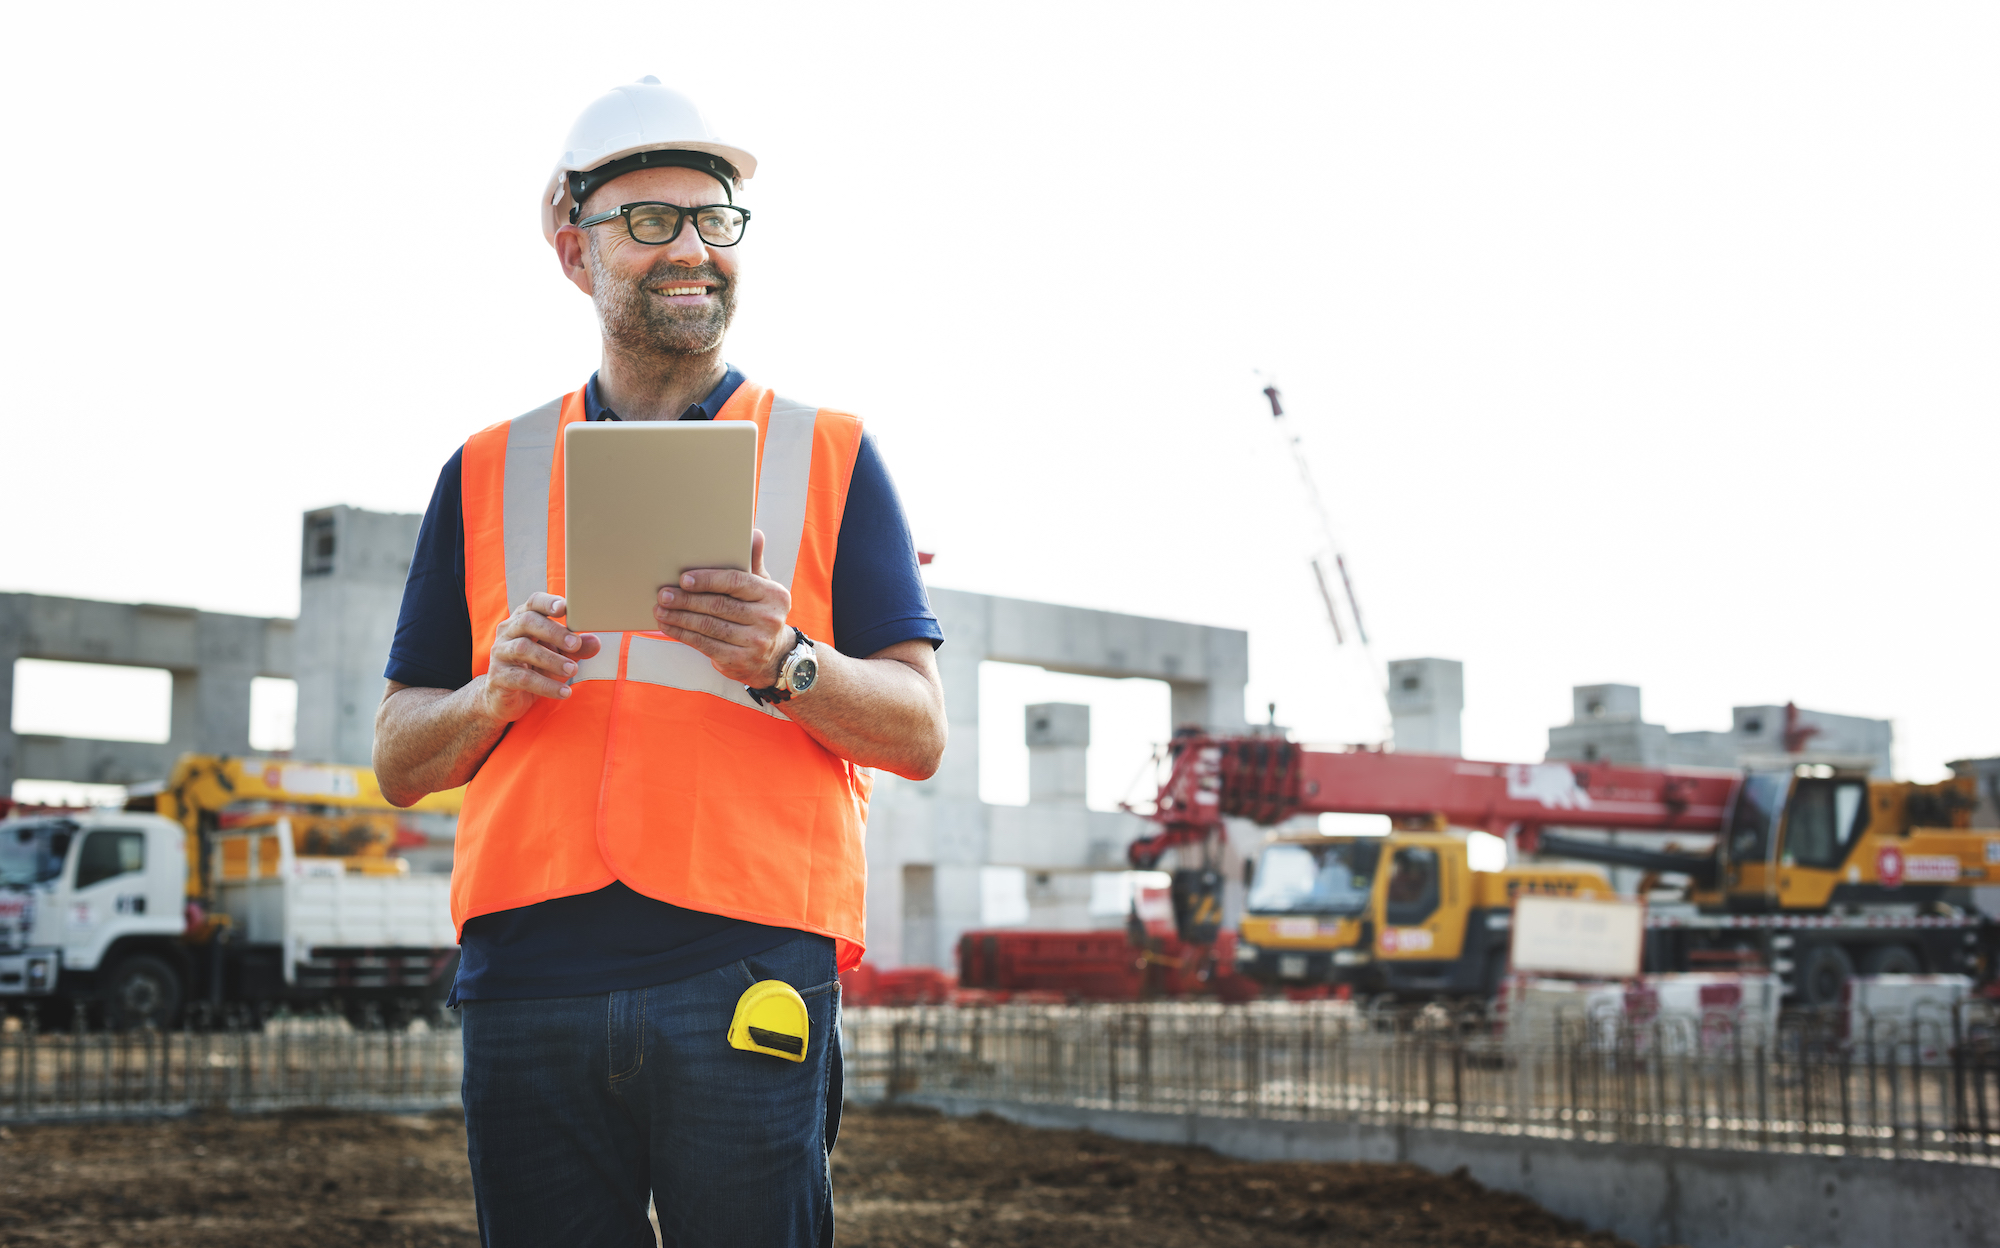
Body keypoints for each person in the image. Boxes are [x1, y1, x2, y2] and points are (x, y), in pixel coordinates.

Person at [371, 77, 947, 1248]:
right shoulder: (485, 469)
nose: (691, 248)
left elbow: (917, 731)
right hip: (529, 975)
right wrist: (492, 693)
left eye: (713, 220)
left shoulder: (828, 453)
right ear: (572, 248)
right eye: (649, 221)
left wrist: (786, 660)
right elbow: (396, 757)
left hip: (744, 968)